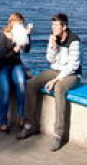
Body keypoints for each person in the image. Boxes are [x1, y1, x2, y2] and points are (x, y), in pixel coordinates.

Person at [16, 12, 82, 152]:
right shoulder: (53, 37)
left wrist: (56, 80)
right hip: (55, 70)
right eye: (52, 24)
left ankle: (58, 134)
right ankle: (30, 125)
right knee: (31, 84)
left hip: (71, 75)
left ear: (64, 27)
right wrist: (53, 46)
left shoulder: (74, 40)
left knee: (59, 88)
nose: (53, 27)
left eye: (56, 25)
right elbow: (50, 60)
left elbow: (73, 66)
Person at [0, 12, 32, 133]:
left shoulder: (20, 34)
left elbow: (27, 49)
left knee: (21, 84)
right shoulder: (4, 33)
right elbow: (3, 55)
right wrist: (15, 50)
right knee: (6, 90)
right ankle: (3, 120)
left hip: (16, 64)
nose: (19, 25)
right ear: (11, 22)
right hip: (3, 64)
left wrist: (28, 36)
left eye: (21, 23)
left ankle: (21, 117)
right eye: (17, 23)